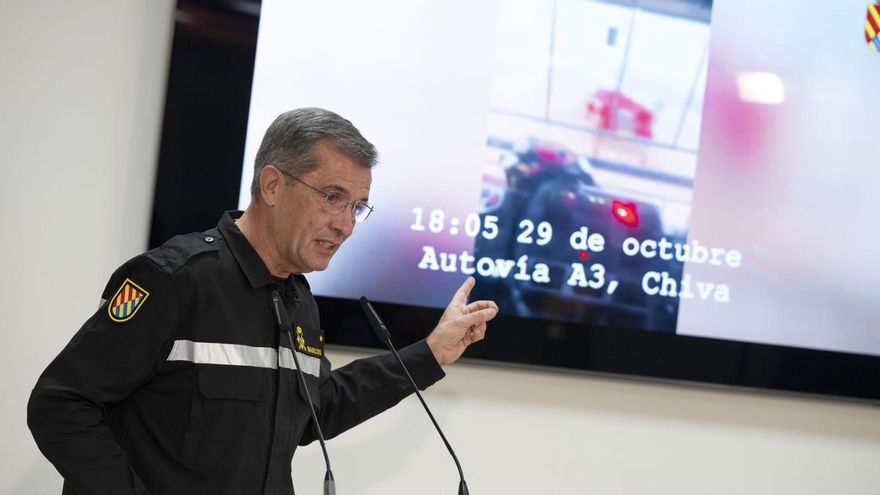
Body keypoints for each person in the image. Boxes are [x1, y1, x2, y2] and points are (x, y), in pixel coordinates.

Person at [27, 107, 499, 495]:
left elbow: (318, 409)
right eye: (332, 197)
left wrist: (431, 353)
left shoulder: (297, 298)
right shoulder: (174, 280)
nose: (346, 224)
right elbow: (61, 404)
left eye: (356, 206)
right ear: (273, 185)